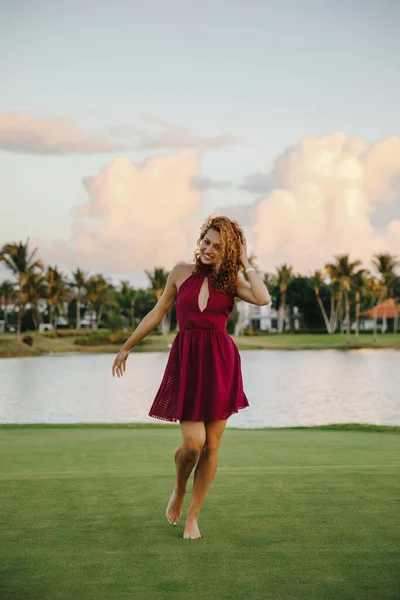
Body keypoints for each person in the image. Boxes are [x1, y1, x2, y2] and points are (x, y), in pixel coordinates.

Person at [112, 215, 271, 540]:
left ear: (227, 252)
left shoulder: (231, 282)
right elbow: (157, 313)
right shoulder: (179, 272)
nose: (208, 249)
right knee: (193, 443)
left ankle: (192, 517)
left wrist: (244, 261)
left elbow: (263, 297)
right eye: (206, 242)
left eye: (217, 246)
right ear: (199, 240)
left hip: (220, 364)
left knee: (211, 445)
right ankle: (179, 490)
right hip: (187, 362)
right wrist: (127, 346)